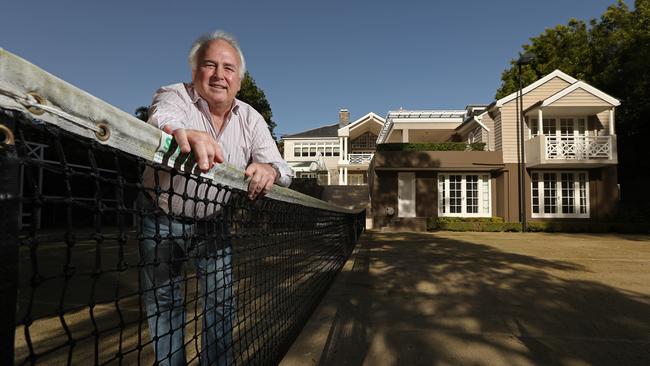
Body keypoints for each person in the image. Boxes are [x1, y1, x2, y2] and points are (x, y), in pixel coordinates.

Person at [139, 30, 292, 366]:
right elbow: (162, 117)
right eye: (210, 65)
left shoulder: (252, 118)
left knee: (221, 302)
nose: (219, 75)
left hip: (213, 224)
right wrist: (183, 133)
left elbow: (282, 166)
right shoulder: (174, 94)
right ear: (195, 72)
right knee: (163, 301)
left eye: (229, 68)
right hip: (160, 215)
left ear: (239, 80)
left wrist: (271, 170)